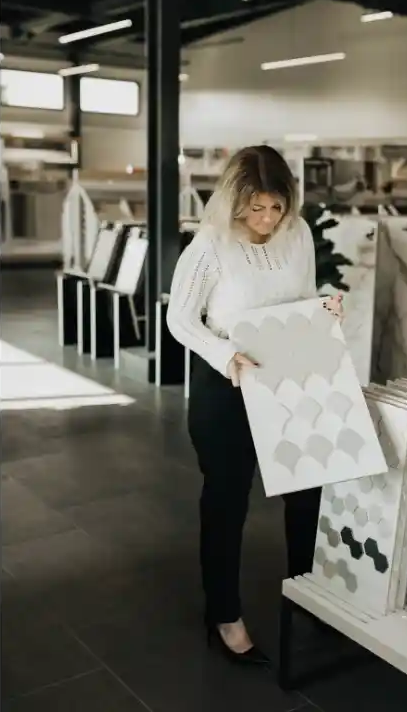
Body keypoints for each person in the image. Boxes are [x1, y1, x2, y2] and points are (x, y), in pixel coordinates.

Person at [166, 145, 343, 665]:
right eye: (256, 208)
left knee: (307, 492)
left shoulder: (299, 235)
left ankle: (307, 593)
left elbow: (304, 294)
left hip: (287, 376)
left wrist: (325, 302)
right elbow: (181, 319)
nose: (267, 220)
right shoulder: (210, 247)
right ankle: (223, 613)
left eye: (276, 208)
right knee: (227, 500)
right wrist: (226, 356)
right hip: (227, 385)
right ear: (235, 200)